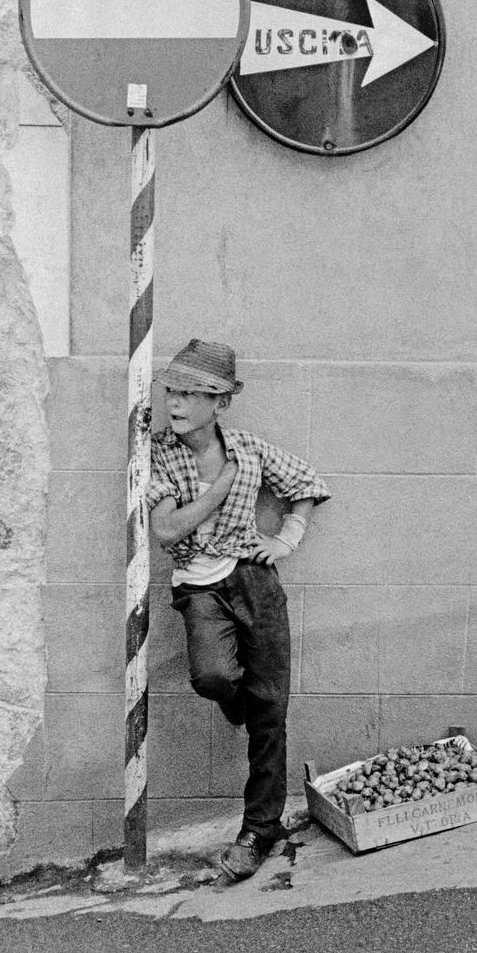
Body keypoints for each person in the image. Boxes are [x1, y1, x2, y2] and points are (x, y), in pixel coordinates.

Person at [147, 339, 330, 881]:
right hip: (200, 587)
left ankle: (259, 829)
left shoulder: (249, 447)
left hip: (254, 580)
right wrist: (224, 484)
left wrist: (287, 538)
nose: (176, 403)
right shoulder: (160, 451)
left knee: (271, 714)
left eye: (192, 393)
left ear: (221, 402)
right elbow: (166, 529)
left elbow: (306, 484)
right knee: (212, 676)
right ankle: (237, 702)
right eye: (172, 391)